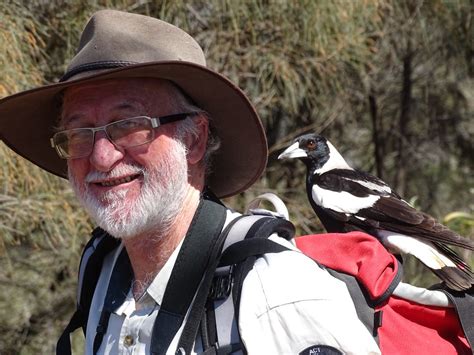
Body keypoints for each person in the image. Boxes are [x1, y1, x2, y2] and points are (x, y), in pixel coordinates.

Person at [0, 10, 381, 355]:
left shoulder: (275, 292)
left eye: (130, 125)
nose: (101, 157)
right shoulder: (103, 276)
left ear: (194, 140)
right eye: (80, 133)